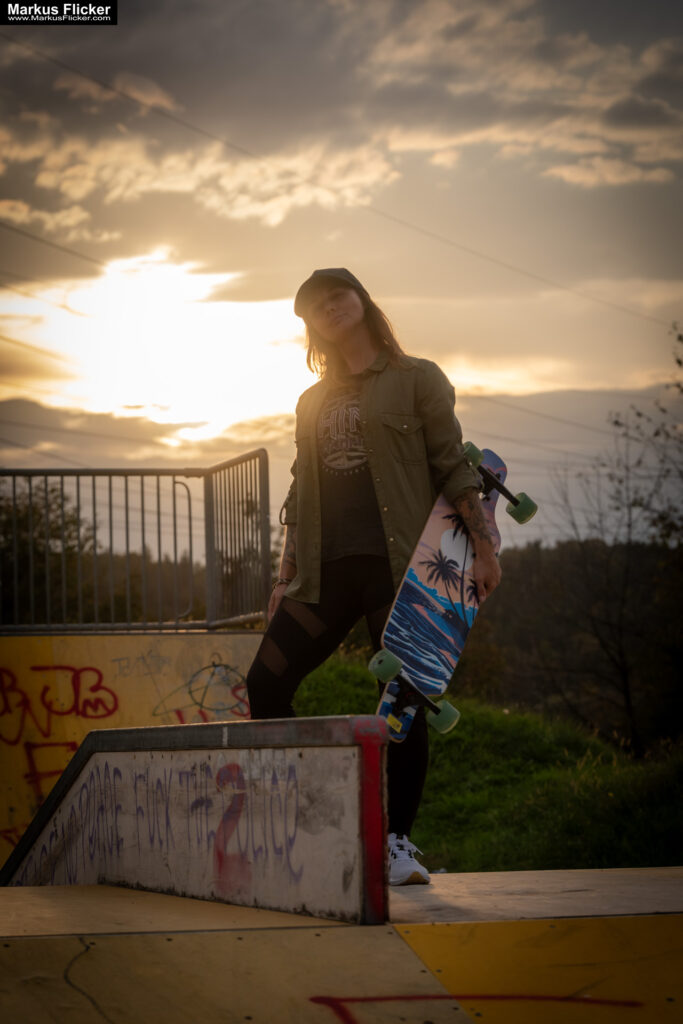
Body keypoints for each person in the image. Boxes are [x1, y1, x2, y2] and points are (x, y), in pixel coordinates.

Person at [246, 268, 501, 885]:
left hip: (400, 569)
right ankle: (314, 824)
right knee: (265, 685)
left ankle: (395, 843)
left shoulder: (417, 379)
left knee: (406, 699)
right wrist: (285, 574)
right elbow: (300, 492)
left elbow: (451, 464)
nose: (329, 307)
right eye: (315, 305)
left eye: (338, 294)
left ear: (361, 301)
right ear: (308, 324)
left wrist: (485, 547)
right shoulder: (311, 402)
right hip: (325, 573)